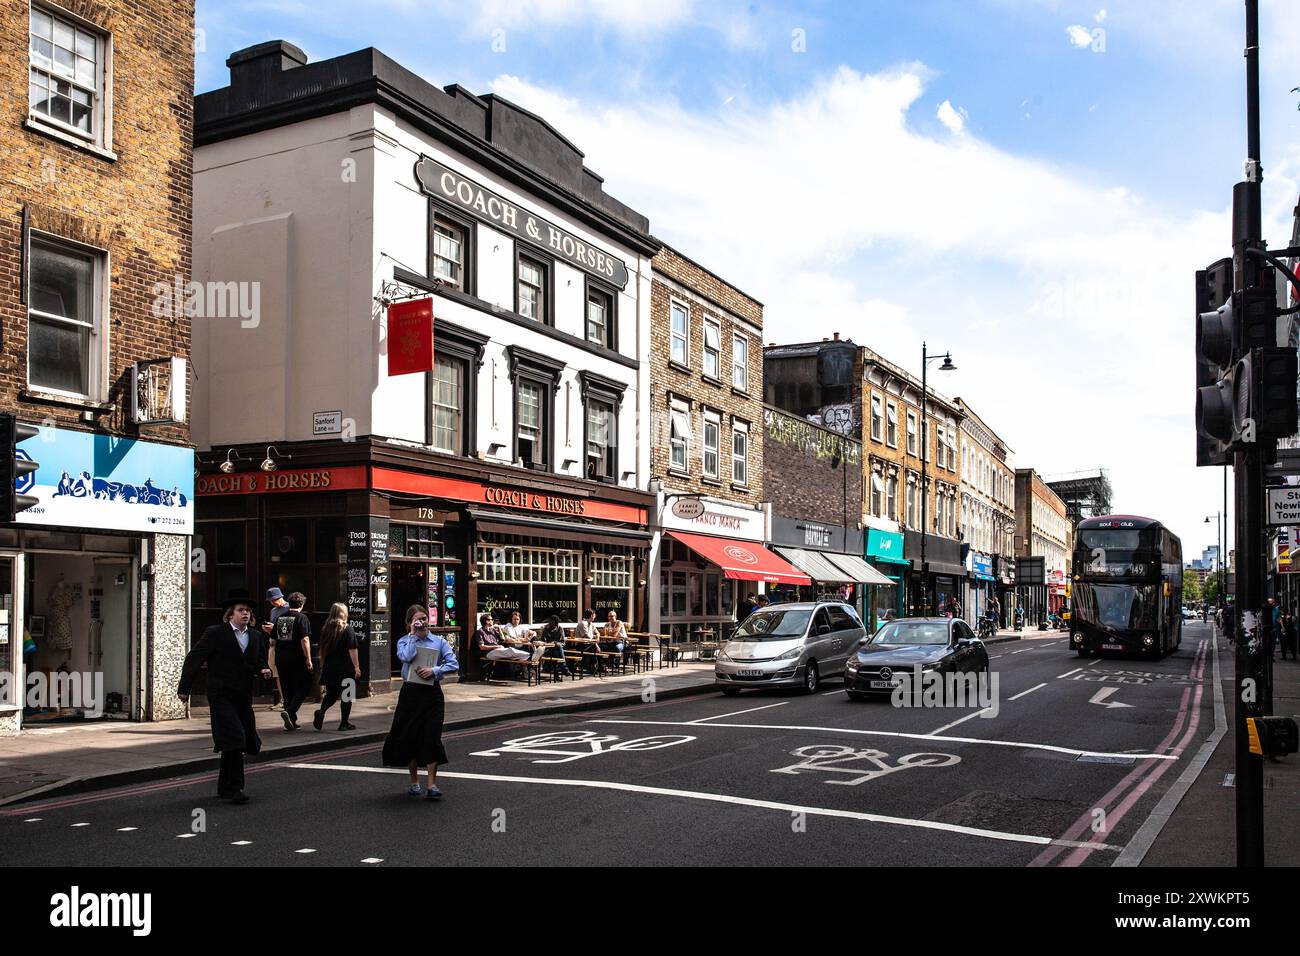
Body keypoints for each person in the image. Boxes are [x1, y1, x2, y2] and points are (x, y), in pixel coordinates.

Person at [178, 591, 273, 804]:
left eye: (248, 611)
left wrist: (264, 669)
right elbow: (194, 658)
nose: (245, 614)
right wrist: (184, 688)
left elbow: (259, 662)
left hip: (242, 696)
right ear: (230, 614)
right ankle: (235, 788)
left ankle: (224, 786)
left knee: (237, 741)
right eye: (241, 610)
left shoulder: (256, 637)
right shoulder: (215, 633)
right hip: (221, 695)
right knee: (235, 737)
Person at [383, 605, 458, 800]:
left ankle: (432, 785)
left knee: (431, 737)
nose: (422, 622)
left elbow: (453, 664)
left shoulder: (439, 642)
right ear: (409, 623)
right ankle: (414, 781)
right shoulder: (404, 641)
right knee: (411, 736)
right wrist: (412, 635)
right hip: (410, 694)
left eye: (424, 618)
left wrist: (434, 671)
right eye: (417, 620)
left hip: (432, 694)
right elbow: (406, 657)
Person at [271, 591, 313, 731]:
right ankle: (289, 711)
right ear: (301, 604)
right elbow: (305, 639)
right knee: (304, 686)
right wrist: (308, 659)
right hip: (296, 658)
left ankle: (291, 722)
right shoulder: (302, 618)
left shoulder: (280, 618)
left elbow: (273, 640)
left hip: (281, 658)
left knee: (287, 689)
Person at [314, 603, 360, 731]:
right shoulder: (347, 629)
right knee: (347, 696)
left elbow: (323, 649)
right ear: (344, 614)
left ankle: (321, 712)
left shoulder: (325, 629)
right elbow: (352, 649)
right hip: (346, 669)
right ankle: (344, 723)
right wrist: (356, 667)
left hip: (330, 668)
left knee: (331, 695)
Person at [475, 613, 530, 677]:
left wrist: (499, 628)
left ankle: (528, 657)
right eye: (491, 619)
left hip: (497, 650)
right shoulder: (480, 632)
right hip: (488, 653)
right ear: (486, 621)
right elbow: (482, 647)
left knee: (511, 653)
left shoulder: (493, 630)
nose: (493, 621)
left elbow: (503, 638)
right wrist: (496, 646)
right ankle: (530, 655)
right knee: (510, 650)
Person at [261, 587, 290, 706]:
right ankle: (284, 699)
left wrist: (274, 628)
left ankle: (287, 699)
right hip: (274, 644)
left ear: (281, 597)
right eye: (271, 601)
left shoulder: (288, 608)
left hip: (285, 646)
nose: (273, 602)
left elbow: (288, 631)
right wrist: (268, 630)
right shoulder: (273, 611)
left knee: (286, 673)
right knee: (277, 674)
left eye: (274, 600)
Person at [574, 608, 604, 675]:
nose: (595, 616)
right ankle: (595, 667)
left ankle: (596, 667)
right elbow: (587, 636)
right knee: (594, 648)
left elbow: (597, 633)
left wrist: (597, 638)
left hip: (589, 644)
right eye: (594, 615)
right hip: (581, 644)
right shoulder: (583, 624)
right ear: (591, 615)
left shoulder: (591, 624)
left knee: (599, 647)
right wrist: (596, 643)